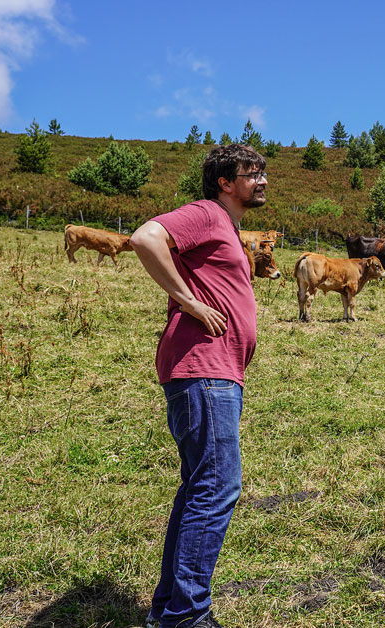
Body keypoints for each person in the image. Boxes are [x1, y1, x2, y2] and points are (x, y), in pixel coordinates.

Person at [131, 145, 267, 628]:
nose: (263, 180)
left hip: (214, 371)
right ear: (225, 182)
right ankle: (186, 616)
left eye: (263, 171)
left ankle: (168, 610)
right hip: (203, 369)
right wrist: (188, 301)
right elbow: (146, 238)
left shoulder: (225, 226)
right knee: (217, 486)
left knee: (199, 488)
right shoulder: (208, 213)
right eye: (252, 173)